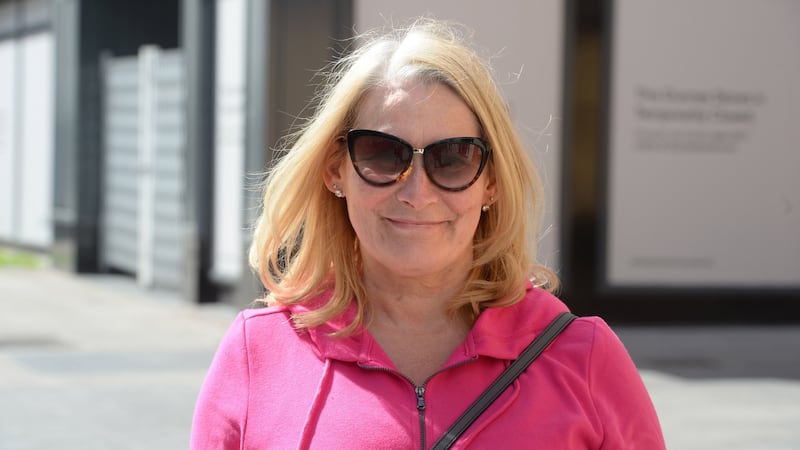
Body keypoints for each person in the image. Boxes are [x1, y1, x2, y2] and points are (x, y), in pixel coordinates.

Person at [191, 18, 665, 449]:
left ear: (491, 182)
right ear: (336, 170)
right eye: (381, 153)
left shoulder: (582, 357)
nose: (417, 193)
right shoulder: (257, 354)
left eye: (453, 157)